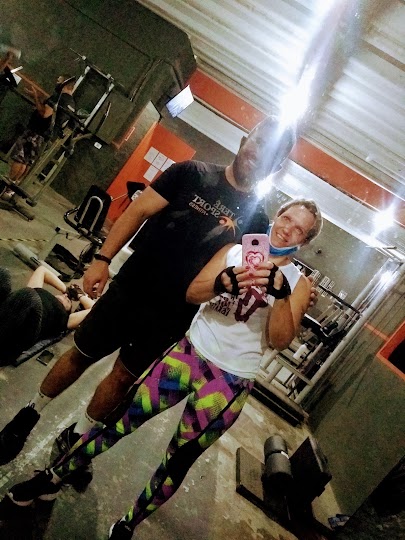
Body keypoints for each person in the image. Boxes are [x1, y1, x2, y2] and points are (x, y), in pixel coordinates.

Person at [0, 199, 323, 540]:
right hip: (189, 355)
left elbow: (279, 340)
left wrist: (281, 296)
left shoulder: (298, 284)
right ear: (277, 216)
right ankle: (49, 478)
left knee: (177, 460)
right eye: (286, 218)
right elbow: (193, 293)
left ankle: (127, 524)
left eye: (298, 229)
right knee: (118, 423)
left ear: (303, 241)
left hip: (229, 381)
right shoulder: (234, 251)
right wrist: (222, 282)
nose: (287, 229)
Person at [0, 116, 301, 467]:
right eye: (260, 142)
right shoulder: (190, 173)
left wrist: (288, 290)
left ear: (276, 167)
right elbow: (138, 210)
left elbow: (239, 281)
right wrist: (102, 259)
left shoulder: (257, 223)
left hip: (173, 315)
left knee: (122, 378)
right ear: (244, 139)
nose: (260, 154)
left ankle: (76, 436)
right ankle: (28, 416)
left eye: (272, 154)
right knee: (81, 354)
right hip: (131, 288)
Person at [0, 266, 95, 368]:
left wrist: (80, 295)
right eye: (64, 295)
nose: (65, 296)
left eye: (68, 301)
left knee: (28, 295)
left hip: (19, 335)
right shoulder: (36, 291)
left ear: (68, 311)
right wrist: (67, 289)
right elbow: (42, 270)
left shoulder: (66, 319)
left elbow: (95, 309)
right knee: (3, 274)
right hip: (9, 313)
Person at [1, 74, 76, 199]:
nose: (56, 82)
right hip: (43, 136)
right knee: (26, 162)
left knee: (20, 159)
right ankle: (11, 189)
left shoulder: (58, 97)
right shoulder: (71, 103)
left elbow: (44, 113)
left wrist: (36, 96)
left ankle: (6, 185)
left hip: (35, 131)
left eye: (59, 80)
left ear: (64, 84)